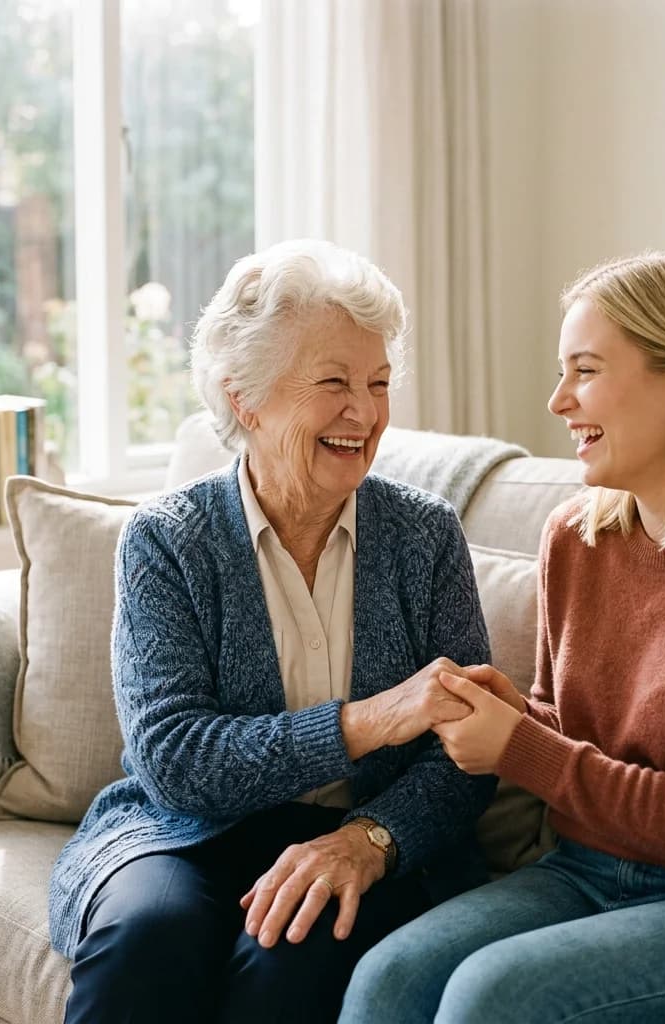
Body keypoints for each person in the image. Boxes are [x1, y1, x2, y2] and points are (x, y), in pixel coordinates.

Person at [340, 251, 665, 1024]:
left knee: (492, 999)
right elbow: (580, 737)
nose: (556, 400)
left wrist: (519, 748)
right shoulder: (578, 539)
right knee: (387, 979)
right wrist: (515, 714)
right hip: (588, 869)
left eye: (584, 371)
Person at [48, 239, 495, 1024]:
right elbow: (175, 760)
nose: (365, 411)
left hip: (358, 835)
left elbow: (470, 756)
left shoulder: (425, 537)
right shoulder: (168, 540)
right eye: (334, 382)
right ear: (244, 398)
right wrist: (370, 720)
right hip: (185, 830)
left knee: (293, 953)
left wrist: (372, 838)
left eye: (379, 383)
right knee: (149, 939)